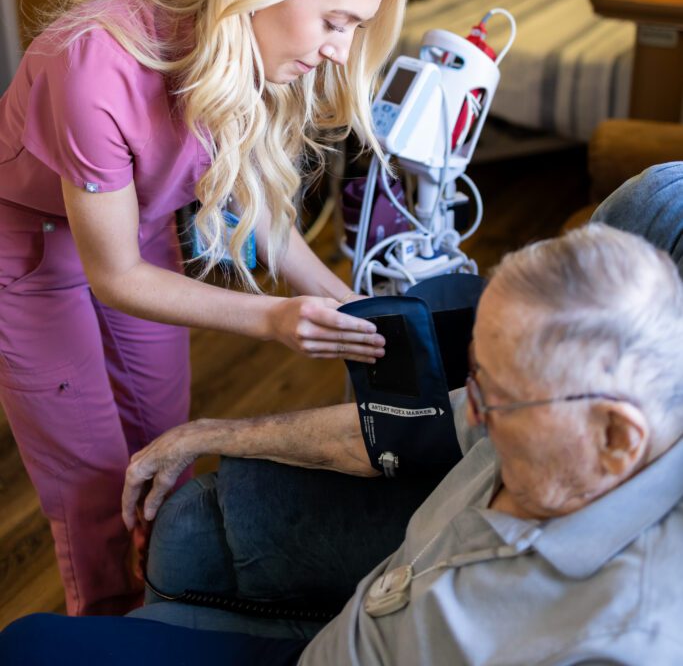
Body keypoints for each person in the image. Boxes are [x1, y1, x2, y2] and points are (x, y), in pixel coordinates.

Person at [2, 164, 682, 664]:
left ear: (618, 437)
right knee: (30, 643)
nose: (468, 410)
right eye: (471, 380)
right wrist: (209, 434)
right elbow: (414, 425)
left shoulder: (623, 635)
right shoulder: (557, 418)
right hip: (341, 640)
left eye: (489, 400)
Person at [0, 0, 408, 615]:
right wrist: (274, 319)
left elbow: (259, 207)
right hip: (25, 247)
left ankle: (171, 605)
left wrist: (344, 302)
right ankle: (113, 629)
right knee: (93, 482)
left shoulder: (243, 47)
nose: (337, 51)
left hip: (139, 234)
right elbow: (114, 275)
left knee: (166, 446)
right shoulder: (93, 64)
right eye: (335, 22)